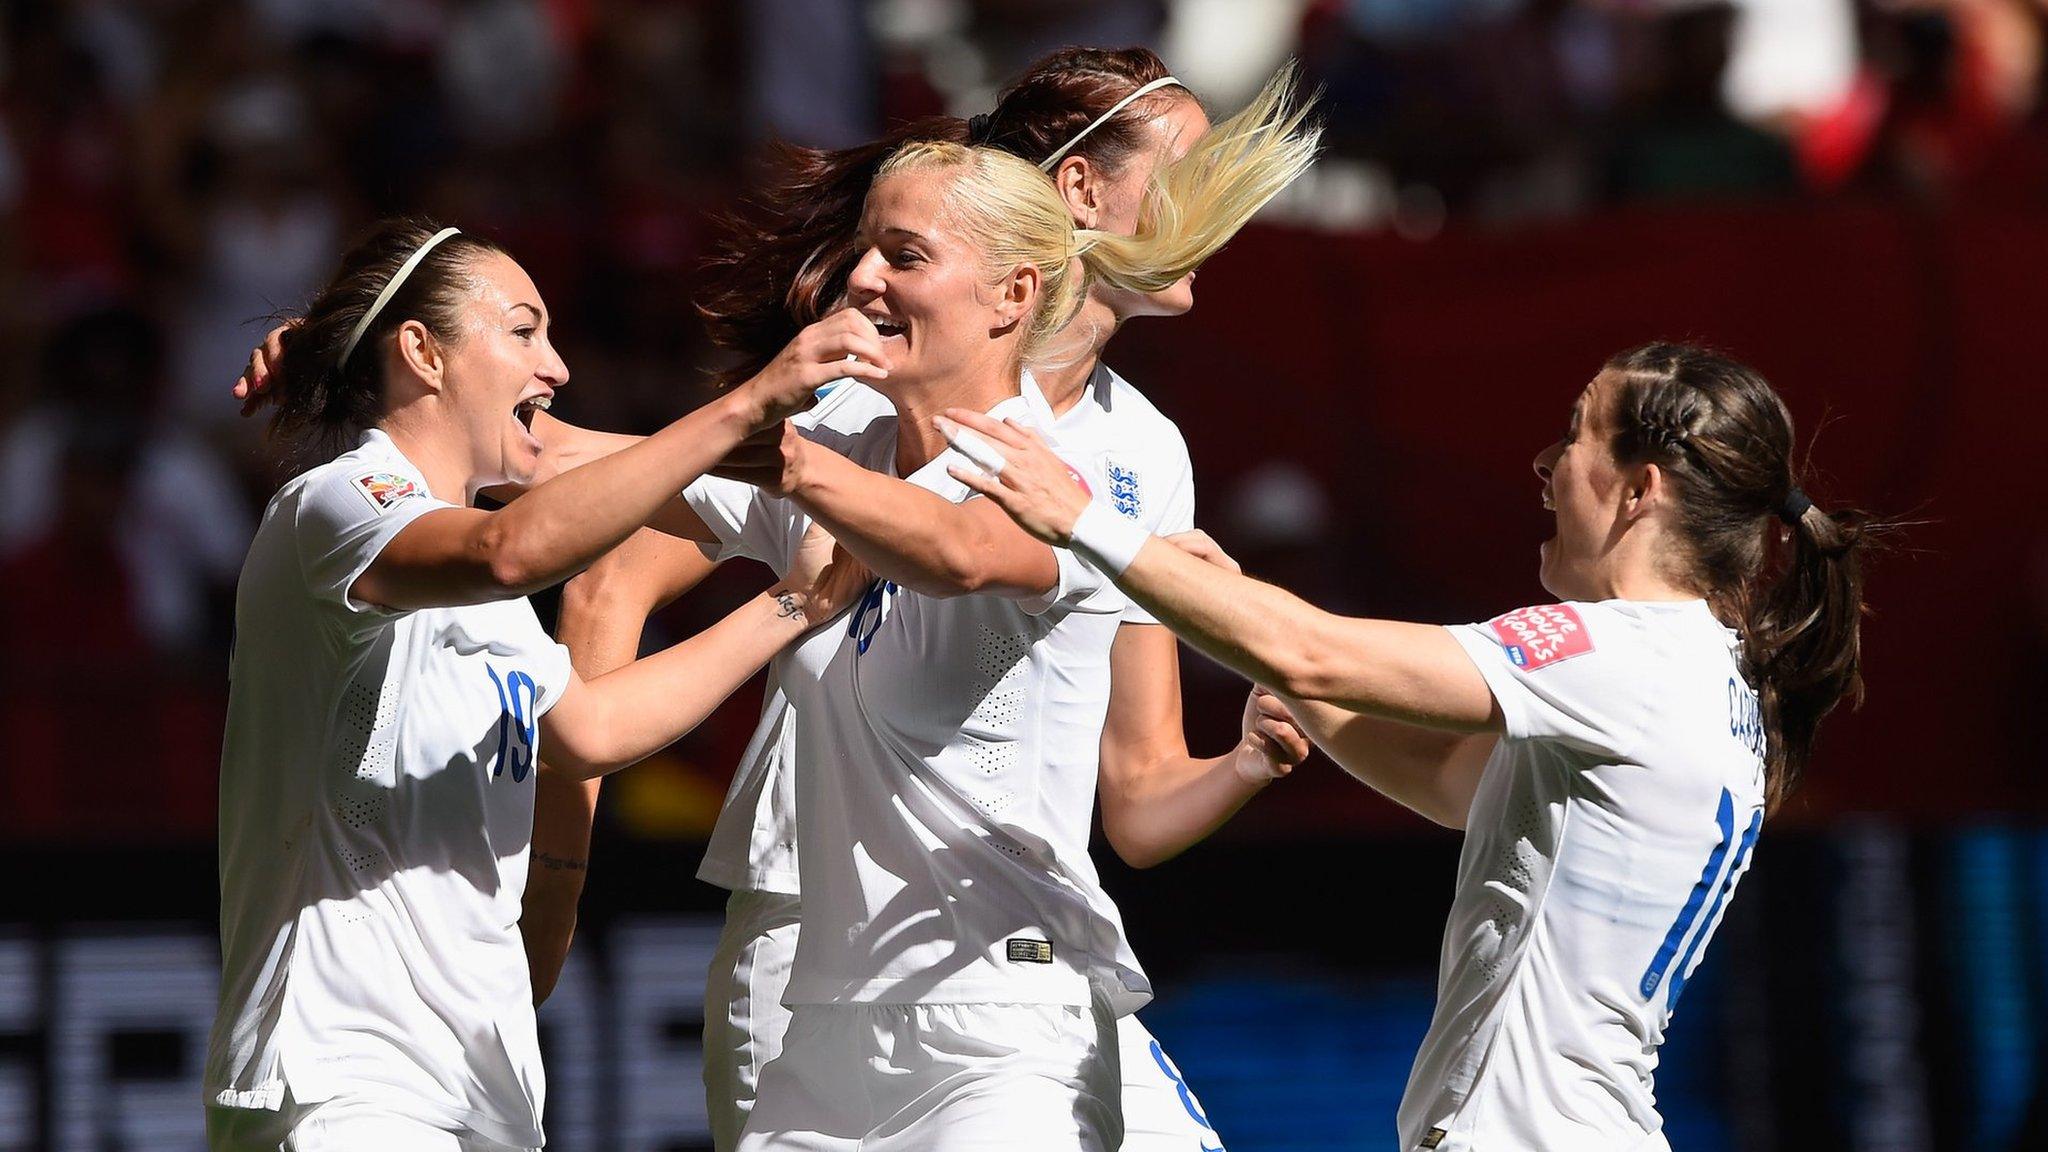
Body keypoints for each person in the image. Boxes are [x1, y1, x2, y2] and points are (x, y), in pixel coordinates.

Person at [525, 52, 1317, 1151]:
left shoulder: (1126, 451)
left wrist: (1244, 760)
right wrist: (564, 850)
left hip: (1010, 969)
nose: (1216, 201)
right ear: (1081, 191)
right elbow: (613, 549)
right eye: (1190, 165)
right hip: (809, 928)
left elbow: (1121, 773)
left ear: (1013, 291)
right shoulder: (853, 403)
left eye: (900, 255)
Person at [946, 343, 1881, 1151]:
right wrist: (1287, 678)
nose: (1546, 461)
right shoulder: (1708, 682)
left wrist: (1083, 519)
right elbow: (1452, 780)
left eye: (1577, 433)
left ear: (1642, 491)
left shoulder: (1624, 652)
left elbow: (1315, 651)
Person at [205, 218, 873, 1152]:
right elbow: (513, 548)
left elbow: (592, 729)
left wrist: (797, 603)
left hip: (482, 1093)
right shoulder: (339, 504)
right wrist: (750, 402)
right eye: (523, 332)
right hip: (342, 1082)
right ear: (422, 352)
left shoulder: (477, 592)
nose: (555, 368)